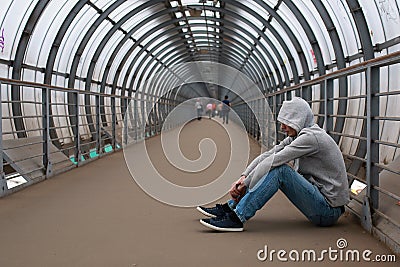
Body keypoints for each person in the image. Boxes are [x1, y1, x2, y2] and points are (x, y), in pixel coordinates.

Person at [197, 97, 349, 231]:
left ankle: (237, 217)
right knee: (271, 166)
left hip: (328, 211)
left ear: (298, 119)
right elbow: (268, 155)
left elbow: (273, 162)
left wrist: (245, 184)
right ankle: (232, 208)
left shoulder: (310, 138)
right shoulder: (299, 135)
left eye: (287, 122)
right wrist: (243, 177)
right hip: (320, 200)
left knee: (280, 170)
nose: (282, 127)